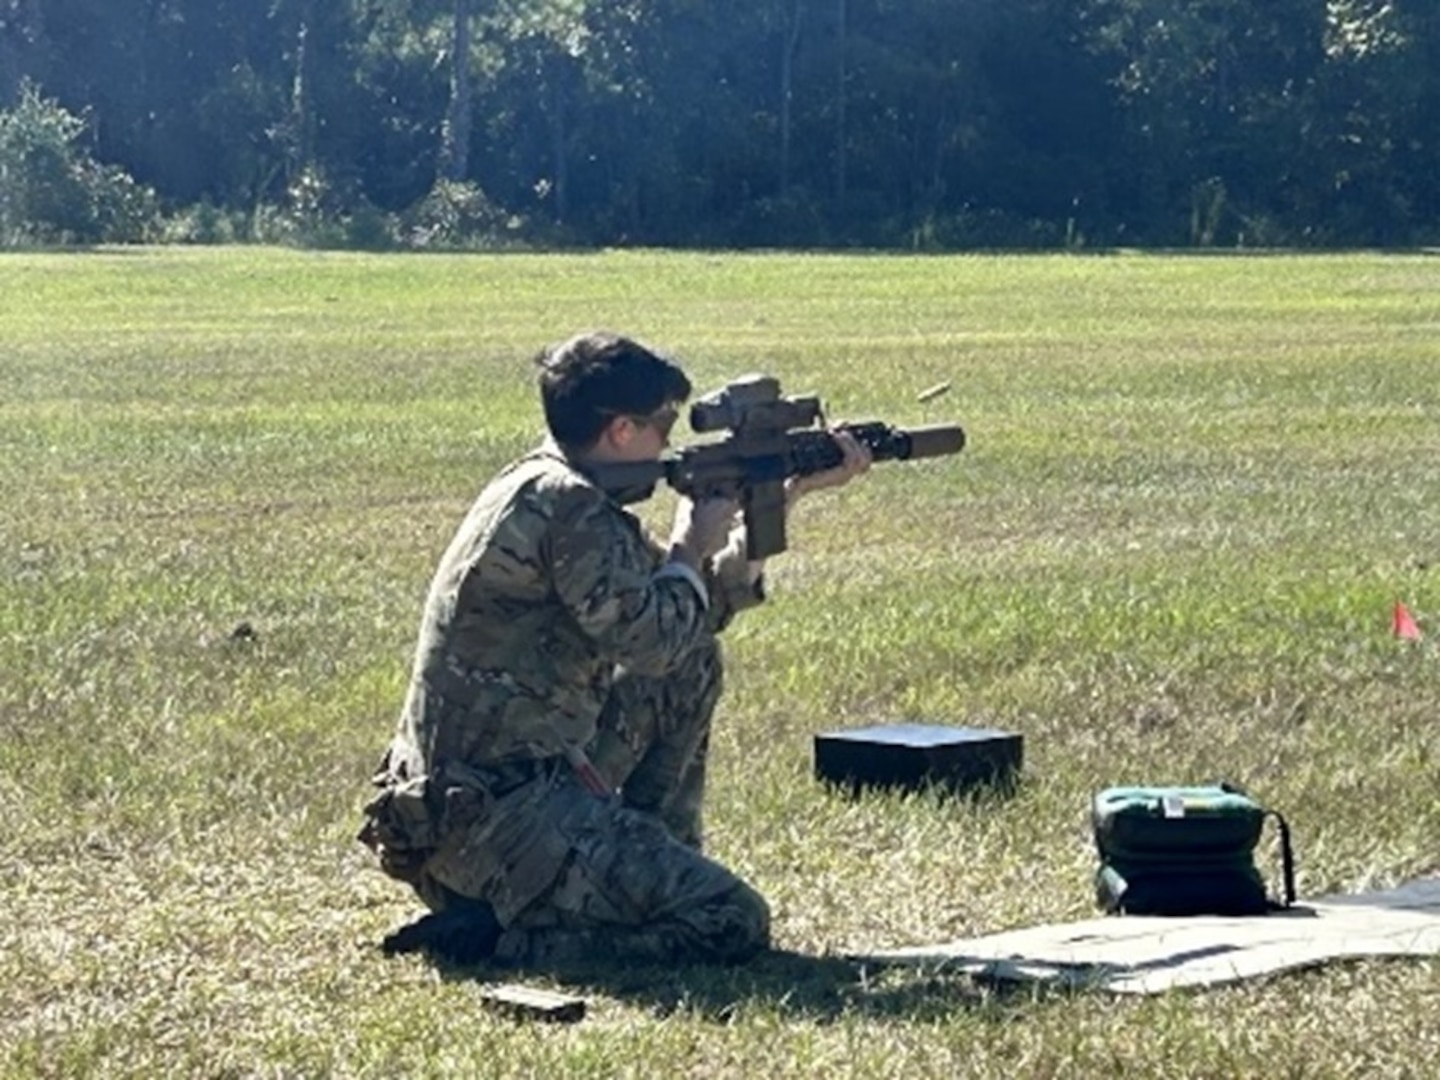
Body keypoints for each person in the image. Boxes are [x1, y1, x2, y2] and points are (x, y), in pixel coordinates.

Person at [358, 330, 871, 969]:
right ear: (622, 431)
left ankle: (649, 859)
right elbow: (654, 639)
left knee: (693, 665)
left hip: (470, 803)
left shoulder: (551, 486)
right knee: (729, 920)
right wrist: (689, 545)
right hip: (492, 823)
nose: (672, 444)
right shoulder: (568, 507)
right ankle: (502, 939)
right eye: (663, 426)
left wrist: (780, 500)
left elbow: (688, 622)